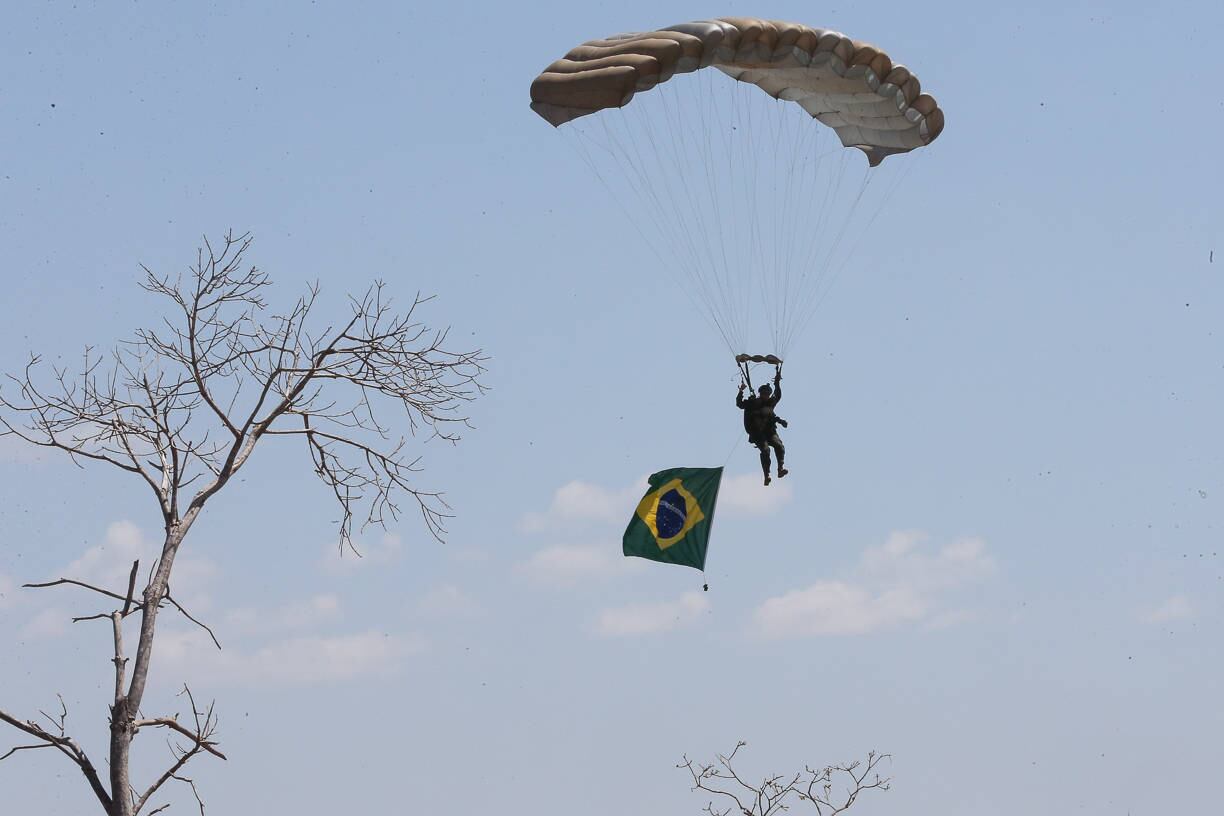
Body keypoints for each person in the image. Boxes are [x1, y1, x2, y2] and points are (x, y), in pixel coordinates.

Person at [736, 366, 788, 485]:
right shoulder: (752, 403)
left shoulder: (770, 403)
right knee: (766, 450)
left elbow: (778, 396)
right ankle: (767, 475)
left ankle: (780, 469)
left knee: (779, 446)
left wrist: (777, 383)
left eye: (767, 394)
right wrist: (741, 391)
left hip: (769, 432)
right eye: (764, 394)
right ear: (760, 394)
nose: (766, 396)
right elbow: (739, 404)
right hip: (757, 433)